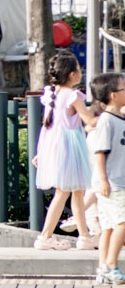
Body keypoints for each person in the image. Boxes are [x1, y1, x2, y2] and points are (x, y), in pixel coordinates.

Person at [35, 52, 101, 249]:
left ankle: (84, 236)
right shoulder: (73, 96)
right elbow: (89, 120)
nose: (81, 73)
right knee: (66, 192)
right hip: (70, 147)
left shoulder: (50, 94)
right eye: (79, 70)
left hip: (54, 146)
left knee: (74, 192)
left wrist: (41, 153)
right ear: (72, 75)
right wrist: (112, 115)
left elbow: (47, 126)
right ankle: (45, 236)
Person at [87, 73, 125, 283]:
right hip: (113, 183)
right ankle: (111, 264)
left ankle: (103, 267)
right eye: (123, 88)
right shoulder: (107, 121)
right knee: (123, 223)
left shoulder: (118, 117)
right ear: (113, 95)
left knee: (109, 227)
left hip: (117, 182)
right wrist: (103, 180)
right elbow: (100, 152)